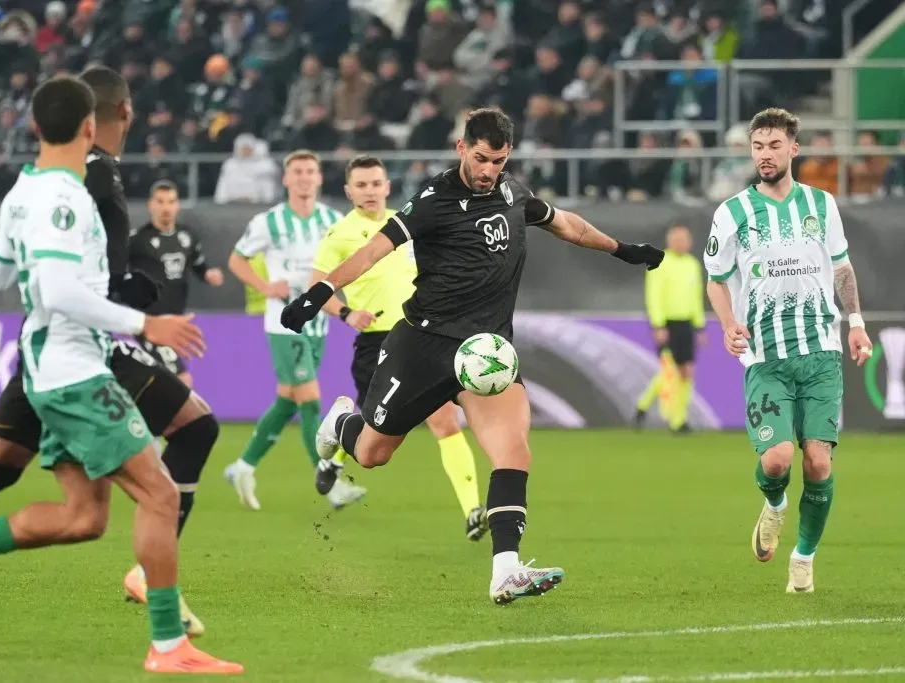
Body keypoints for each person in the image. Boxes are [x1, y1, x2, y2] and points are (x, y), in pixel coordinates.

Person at [0, 75, 241, 675]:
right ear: (91, 127)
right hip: (72, 368)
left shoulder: (22, 191)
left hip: (52, 365)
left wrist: (25, 251)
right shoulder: (67, 198)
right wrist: (147, 324)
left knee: (84, 518)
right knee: (161, 494)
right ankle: (167, 647)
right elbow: (60, 291)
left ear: (35, 127)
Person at [280, 108, 665, 604]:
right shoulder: (434, 200)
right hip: (422, 344)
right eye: (481, 158)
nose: (488, 171)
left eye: (499, 161)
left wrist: (622, 249)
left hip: (484, 355)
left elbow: (564, 223)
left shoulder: (512, 191)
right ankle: (339, 424)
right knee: (374, 454)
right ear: (462, 148)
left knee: (513, 451)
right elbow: (377, 248)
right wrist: (322, 291)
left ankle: (505, 569)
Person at [703, 107, 872, 594]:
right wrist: (729, 322)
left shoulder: (821, 204)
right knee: (777, 459)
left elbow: (841, 268)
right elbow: (716, 280)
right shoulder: (732, 212)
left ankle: (803, 556)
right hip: (765, 356)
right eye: (758, 146)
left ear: (793, 149)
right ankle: (774, 504)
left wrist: (856, 324)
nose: (765, 155)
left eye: (774, 146)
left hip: (820, 353)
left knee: (818, 464)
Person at [309, 154, 487, 541]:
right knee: (377, 427)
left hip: (421, 336)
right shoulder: (339, 235)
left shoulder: (408, 224)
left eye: (376, 183)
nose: (370, 191)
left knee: (443, 420)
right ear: (348, 191)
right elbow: (316, 288)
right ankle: (336, 454)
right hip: (376, 342)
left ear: (388, 187)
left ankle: (473, 509)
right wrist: (346, 313)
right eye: (361, 185)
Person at [223, 150, 365, 511]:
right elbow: (236, 260)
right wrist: (265, 286)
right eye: (297, 172)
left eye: (310, 171)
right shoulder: (268, 222)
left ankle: (243, 466)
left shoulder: (334, 221)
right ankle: (328, 483)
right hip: (284, 323)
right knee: (311, 400)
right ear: (286, 180)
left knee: (288, 401)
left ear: (319, 179)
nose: (303, 177)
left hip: (319, 322)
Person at [128, 179, 225, 387]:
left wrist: (208, 274)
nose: (166, 208)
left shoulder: (187, 237)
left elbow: (198, 264)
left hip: (175, 323)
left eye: (171, 202)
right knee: (183, 381)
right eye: (160, 202)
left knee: (156, 387)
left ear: (177, 205)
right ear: (150, 205)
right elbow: (117, 273)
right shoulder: (137, 241)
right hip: (150, 324)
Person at [634, 223, 706, 433]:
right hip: (667, 324)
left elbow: (696, 297)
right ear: (669, 241)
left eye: (685, 239)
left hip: (687, 324)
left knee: (687, 371)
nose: (682, 243)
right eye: (677, 239)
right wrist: (658, 325)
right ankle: (675, 421)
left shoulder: (693, 264)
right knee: (671, 371)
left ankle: (652, 409)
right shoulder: (660, 262)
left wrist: (699, 327)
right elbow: (653, 295)